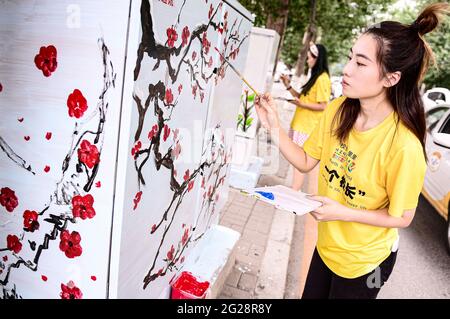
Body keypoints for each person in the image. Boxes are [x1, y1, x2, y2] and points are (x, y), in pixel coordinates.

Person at [254, 3, 449, 299]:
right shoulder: (337, 110)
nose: (346, 70)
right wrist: (273, 126)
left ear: (390, 78)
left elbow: (403, 217)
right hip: (328, 247)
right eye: (349, 58)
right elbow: (306, 161)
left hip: (366, 264)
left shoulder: (403, 145)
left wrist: (340, 211)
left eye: (360, 63)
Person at [280, 43, 331, 193]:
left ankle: (293, 193)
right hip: (299, 126)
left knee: (299, 163)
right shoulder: (314, 77)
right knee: (296, 162)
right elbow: (302, 98)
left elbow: (323, 105)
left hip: (307, 128)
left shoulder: (322, 79)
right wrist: (288, 86)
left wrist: (301, 104)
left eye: (309, 58)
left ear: (317, 58)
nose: (307, 61)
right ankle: (294, 192)